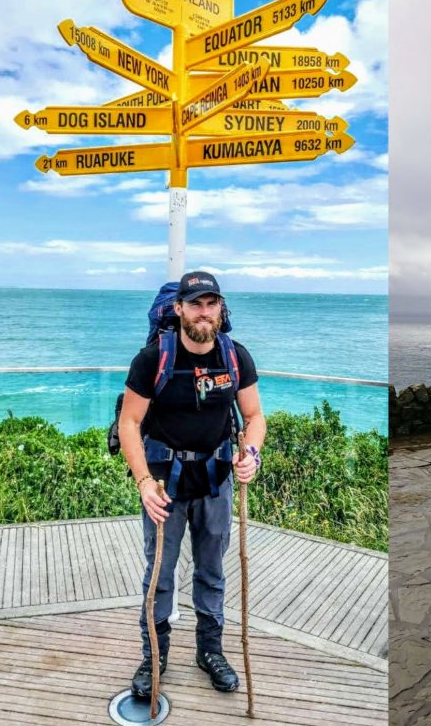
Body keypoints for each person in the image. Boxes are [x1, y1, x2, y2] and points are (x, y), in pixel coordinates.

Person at [118, 271, 266, 699]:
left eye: (211, 303)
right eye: (196, 303)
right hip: (165, 485)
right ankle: (155, 657)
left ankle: (210, 652)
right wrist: (144, 481)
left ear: (221, 309)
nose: (204, 312)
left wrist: (251, 455)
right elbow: (129, 422)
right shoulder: (153, 360)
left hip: (216, 479)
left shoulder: (235, 356)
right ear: (179, 308)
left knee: (213, 570)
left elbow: (254, 417)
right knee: (160, 574)